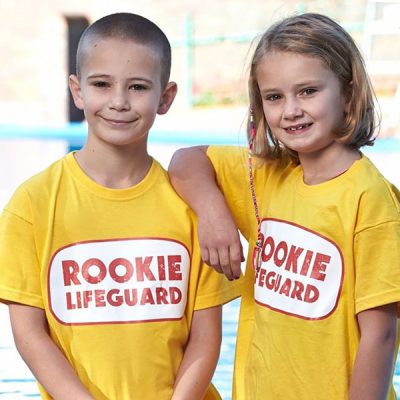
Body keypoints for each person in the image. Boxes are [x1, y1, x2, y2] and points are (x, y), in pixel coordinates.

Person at [0, 12, 241, 400]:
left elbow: (206, 335)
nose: (118, 101)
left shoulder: (190, 206)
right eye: (101, 84)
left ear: (165, 97)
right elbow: (29, 334)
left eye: (138, 87)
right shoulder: (32, 204)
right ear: (78, 91)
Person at [169, 13, 400, 400]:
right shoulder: (268, 177)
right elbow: (186, 160)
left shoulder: (370, 199)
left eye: (308, 91)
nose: (290, 109)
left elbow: (381, 335)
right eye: (274, 96)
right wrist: (213, 212)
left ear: (347, 91)